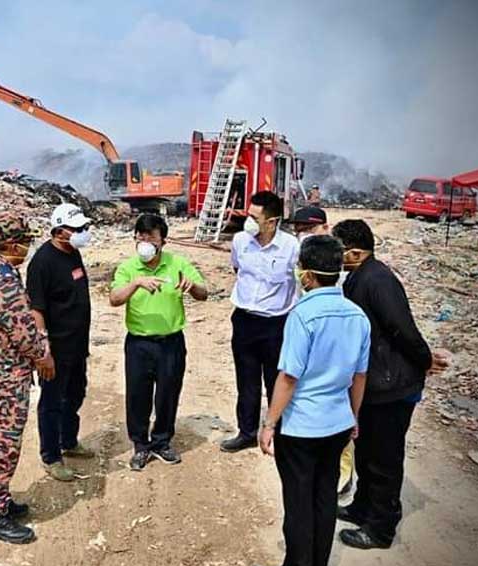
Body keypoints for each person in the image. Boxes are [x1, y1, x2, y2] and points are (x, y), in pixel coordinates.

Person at [332, 220, 449, 550]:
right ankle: (362, 508)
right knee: (367, 452)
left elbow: (402, 329)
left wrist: (425, 359)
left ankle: (380, 529)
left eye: (339, 249)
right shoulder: (358, 276)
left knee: (383, 460)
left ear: (355, 252)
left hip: (391, 387)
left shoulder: (378, 280)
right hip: (373, 385)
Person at [259, 235, 370, 566]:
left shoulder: (303, 315)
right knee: (324, 498)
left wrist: (269, 423)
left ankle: (296, 565)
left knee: (298, 502)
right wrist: (354, 416)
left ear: (306, 274)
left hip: (301, 426)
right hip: (337, 422)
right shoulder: (357, 315)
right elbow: (360, 376)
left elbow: (288, 377)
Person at [0, 214, 51, 544]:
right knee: (1, 444)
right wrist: (43, 353)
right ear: (13, 244)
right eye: (25, 242)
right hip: (1, 376)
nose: (27, 248)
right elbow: (24, 333)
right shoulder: (1, 279)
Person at [110, 214, 208, 471]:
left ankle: (162, 441)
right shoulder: (128, 268)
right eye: (140, 236)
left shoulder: (177, 263)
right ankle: (140, 446)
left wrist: (192, 287)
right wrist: (136, 283)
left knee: (168, 393)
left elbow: (203, 293)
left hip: (171, 343)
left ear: (162, 240)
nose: (144, 241)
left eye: (150, 236)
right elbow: (114, 298)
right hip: (139, 344)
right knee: (137, 395)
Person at [221, 191, 299, 453]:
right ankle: (246, 431)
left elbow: (299, 282)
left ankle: (279, 431)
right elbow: (237, 269)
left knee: (276, 379)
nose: (248, 221)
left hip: (276, 324)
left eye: (255, 217)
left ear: (272, 221)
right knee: (246, 380)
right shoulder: (241, 241)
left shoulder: (291, 247)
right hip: (244, 320)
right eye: (248, 214)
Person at [27, 203, 95, 482]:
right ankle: (51, 456)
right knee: (52, 402)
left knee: (76, 393)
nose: (83, 233)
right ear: (59, 231)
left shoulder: (73, 253)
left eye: (84, 228)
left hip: (77, 345)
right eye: (77, 229)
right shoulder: (42, 262)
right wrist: (44, 350)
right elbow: (36, 310)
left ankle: (69, 440)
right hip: (56, 348)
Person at [291, 206, 354, 494]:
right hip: (311, 331)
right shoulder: (304, 257)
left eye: (307, 228)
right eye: (298, 228)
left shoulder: (334, 262)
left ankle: (342, 473)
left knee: (334, 401)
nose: (301, 233)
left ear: (324, 227)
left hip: (336, 338)